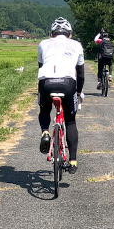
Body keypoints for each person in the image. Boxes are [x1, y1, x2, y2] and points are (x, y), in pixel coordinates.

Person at [37, 17, 84, 172]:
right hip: (68, 82)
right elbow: (81, 74)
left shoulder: (43, 44)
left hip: (46, 82)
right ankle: (73, 161)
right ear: (69, 34)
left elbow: (41, 67)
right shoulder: (76, 45)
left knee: (44, 110)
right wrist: (78, 92)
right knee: (70, 121)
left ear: (52, 33)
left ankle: (45, 132)